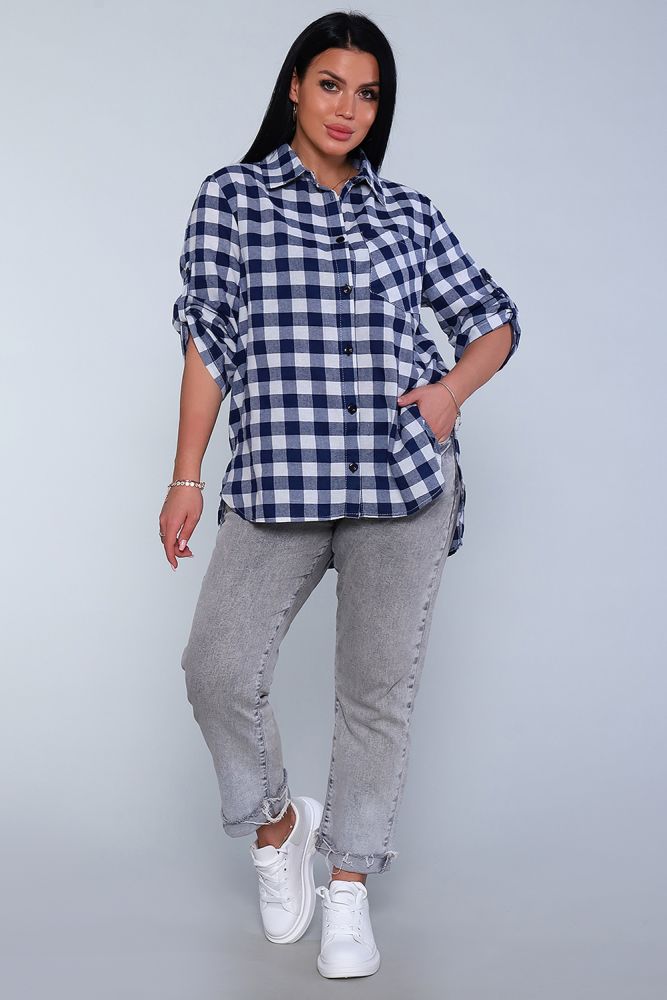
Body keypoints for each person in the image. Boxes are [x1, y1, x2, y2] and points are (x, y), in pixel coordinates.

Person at [160, 10, 521, 982]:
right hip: (278, 481)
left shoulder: (406, 213)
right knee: (216, 670)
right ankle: (277, 828)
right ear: (293, 87)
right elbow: (208, 339)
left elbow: (492, 319)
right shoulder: (234, 198)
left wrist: (448, 393)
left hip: (401, 482)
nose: (347, 108)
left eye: (367, 93)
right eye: (330, 84)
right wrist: (186, 475)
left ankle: (349, 887)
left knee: (375, 694)